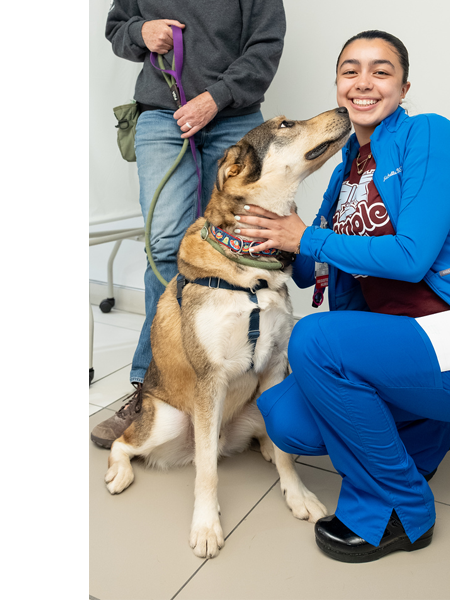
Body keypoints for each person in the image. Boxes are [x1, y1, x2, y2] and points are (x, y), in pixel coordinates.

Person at [233, 30, 450, 563]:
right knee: (285, 417)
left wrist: (305, 236)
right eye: (350, 70)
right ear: (338, 84)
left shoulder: (429, 135)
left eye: (381, 70)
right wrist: (262, 231)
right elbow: (307, 269)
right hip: (405, 344)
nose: (363, 82)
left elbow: (413, 255)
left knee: (316, 340)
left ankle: (398, 511)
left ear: (404, 84)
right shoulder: (347, 164)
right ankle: (433, 424)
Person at [93, 0, 286, 448]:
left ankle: (248, 390)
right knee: (165, 251)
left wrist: (215, 98)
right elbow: (117, 25)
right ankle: (150, 388)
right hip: (162, 117)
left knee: (247, 246)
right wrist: (141, 33)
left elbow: (265, 48)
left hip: (234, 117)